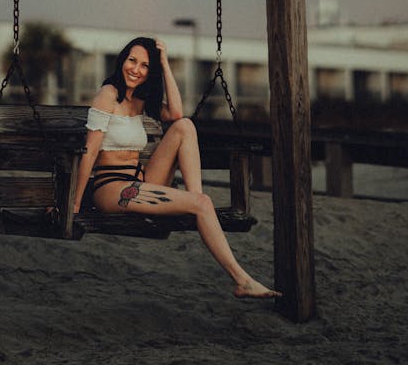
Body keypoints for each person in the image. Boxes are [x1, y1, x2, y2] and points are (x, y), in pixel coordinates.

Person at [73, 35, 279, 300]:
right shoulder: (108, 94)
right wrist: (75, 203)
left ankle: (195, 201)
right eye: (132, 60)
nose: (136, 69)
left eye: (145, 65)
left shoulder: (140, 100)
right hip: (110, 188)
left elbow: (177, 113)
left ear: (151, 71)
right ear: (122, 60)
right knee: (203, 204)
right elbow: (89, 151)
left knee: (185, 126)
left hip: (142, 179)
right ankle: (242, 280)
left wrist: (165, 64)